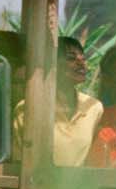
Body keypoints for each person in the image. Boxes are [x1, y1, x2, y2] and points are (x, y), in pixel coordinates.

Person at [14, 37, 105, 166]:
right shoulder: (27, 108)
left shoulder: (94, 107)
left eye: (83, 58)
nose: (81, 62)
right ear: (51, 64)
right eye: (71, 58)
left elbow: (94, 161)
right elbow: (19, 162)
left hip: (80, 186)